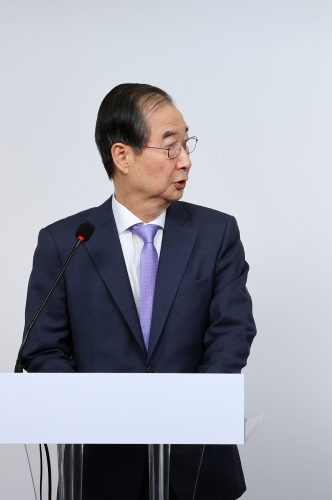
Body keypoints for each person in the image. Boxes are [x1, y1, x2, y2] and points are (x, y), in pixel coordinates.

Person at [21, 83, 256, 499]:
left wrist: (194, 409)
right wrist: (96, 409)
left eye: (187, 144)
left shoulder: (216, 233)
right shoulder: (66, 242)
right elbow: (43, 350)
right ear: (122, 156)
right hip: (101, 469)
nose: (185, 160)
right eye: (170, 146)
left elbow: (232, 332)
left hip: (196, 463)